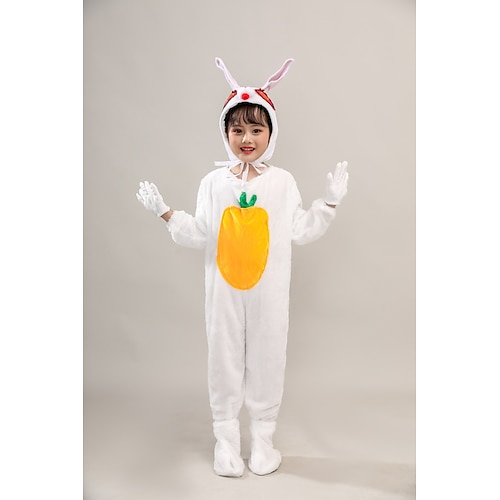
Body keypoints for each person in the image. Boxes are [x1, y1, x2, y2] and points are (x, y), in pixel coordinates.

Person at [136, 57, 349, 477]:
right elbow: (200, 232)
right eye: (237, 130)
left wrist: (328, 203)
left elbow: (300, 229)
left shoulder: (282, 182)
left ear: (271, 132)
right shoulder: (213, 184)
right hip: (224, 294)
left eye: (256, 129)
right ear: (226, 133)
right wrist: (165, 212)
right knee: (225, 357)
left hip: (270, 294)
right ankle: (226, 441)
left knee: (269, 357)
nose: (247, 138)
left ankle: (263, 441)